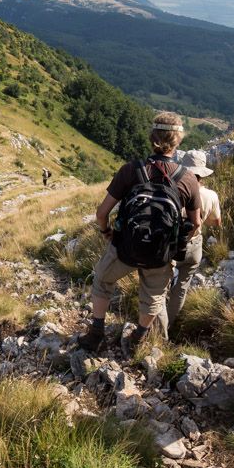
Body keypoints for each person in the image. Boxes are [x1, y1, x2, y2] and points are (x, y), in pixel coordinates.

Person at [78, 112, 202, 354]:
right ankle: (138, 338)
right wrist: (173, 244)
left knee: (103, 280)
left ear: (151, 137)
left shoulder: (131, 170)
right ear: (178, 141)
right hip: (160, 253)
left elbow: (102, 212)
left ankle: (96, 334)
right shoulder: (187, 178)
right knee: (154, 295)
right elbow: (196, 224)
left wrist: (107, 233)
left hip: (124, 247)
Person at [159, 149, 221, 334]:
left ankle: (157, 330)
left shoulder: (172, 190)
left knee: (159, 287)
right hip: (194, 245)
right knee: (182, 287)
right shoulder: (211, 196)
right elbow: (216, 221)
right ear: (202, 173)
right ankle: (168, 325)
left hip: (169, 245)